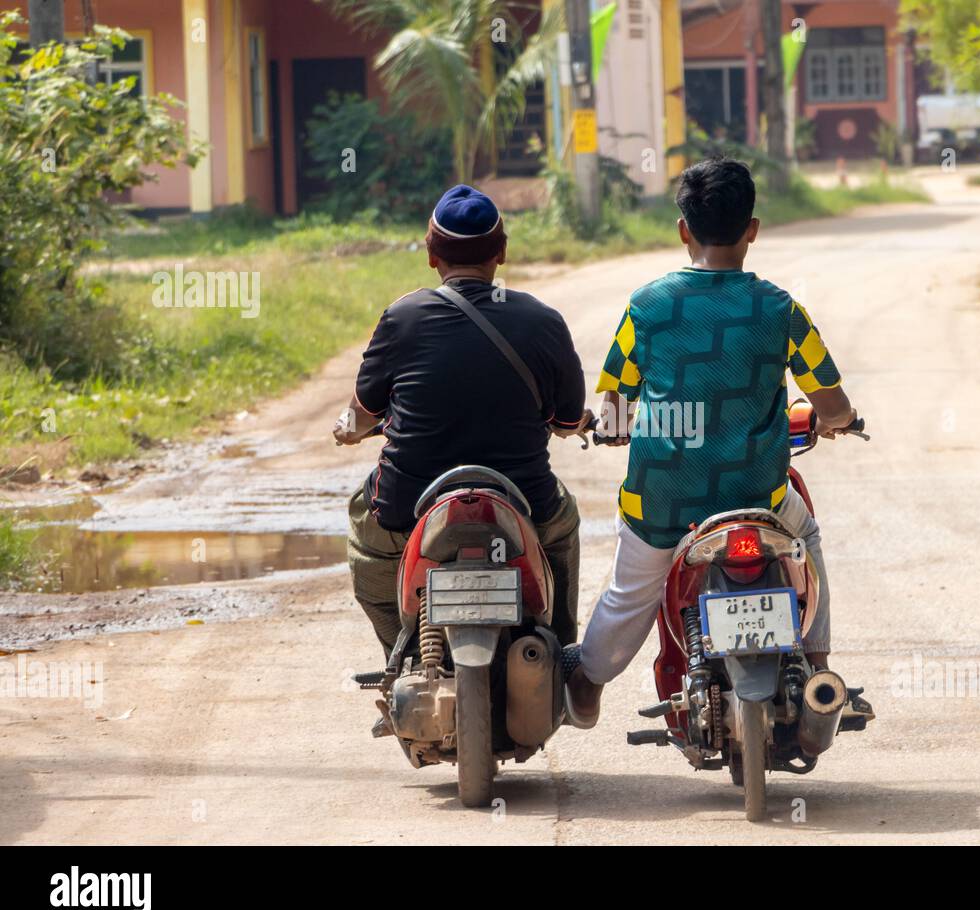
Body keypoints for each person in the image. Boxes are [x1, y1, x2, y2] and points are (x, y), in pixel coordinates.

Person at [565, 158, 860, 727]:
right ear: (752, 228)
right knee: (809, 539)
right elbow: (831, 402)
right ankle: (819, 667)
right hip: (758, 497)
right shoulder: (782, 309)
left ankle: (587, 683)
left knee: (628, 597)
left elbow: (614, 412)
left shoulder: (645, 307)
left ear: (683, 229)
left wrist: (617, 429)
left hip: (663, 503)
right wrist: (841, 420)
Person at [335, 185, 592, 663]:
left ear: (432, 256)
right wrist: (576, 425)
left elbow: (362, 413)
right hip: (524, 500)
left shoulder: (402, 317)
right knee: (562, 529)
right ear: (502, 252)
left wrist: (348, 429)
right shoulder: (542, 320)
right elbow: (567, 420)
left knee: (367, 550)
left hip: (407, 501)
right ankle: (560, 655)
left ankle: (402, 656)